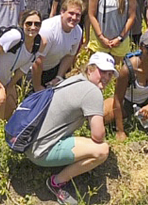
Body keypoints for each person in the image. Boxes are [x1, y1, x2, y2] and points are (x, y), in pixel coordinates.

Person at [25, 52, 117, 205]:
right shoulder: (92, 91)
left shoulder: (73, 80)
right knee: (102, 150)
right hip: (41, 151)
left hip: (31, 144)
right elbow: (98, 135)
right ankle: (56, 182)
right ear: (90, 69)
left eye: (110, 74)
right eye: (102, 72)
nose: (107, 78)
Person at [88, 0, 136, 64]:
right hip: (99, 41)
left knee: (117, 73)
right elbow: (91, 15)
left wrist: (120, 38)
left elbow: (132, 16)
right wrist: (101, 37)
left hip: (120, 41)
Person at [31, 0, 83, 92]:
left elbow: (70, 56)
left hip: (52, 69)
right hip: (32, 72)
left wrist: (58, 77)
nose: (74, 18)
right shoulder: (48, 30)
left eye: (78, 15)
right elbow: (37, 62)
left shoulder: (78, 31)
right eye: (71, 13)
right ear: (62, 12)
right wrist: (37, 86)